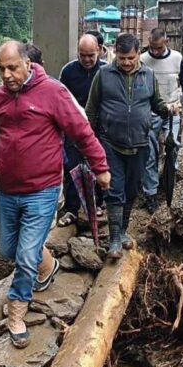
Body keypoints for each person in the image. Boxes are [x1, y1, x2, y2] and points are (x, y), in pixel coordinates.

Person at [0, 41, 110, 348]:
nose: (7, 75)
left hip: (43, 189)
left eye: (12, 67)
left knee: (24, 256)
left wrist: (100, 166)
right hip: (8, 190)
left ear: (27, 64)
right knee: (9, 250)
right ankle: (48, 264)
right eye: (2, 69)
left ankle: (17, 313)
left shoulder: (52, 92)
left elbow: (81, 131)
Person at [84, 33, 172, 259]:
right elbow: (91, 110)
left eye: (131, 58)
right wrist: (90, 142)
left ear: (138, 55)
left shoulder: (149, 75)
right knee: (114, 191)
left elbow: (157, 103)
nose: (126, 62)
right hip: (110, 142)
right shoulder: (103, 75)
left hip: (140, 143)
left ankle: (123, 231)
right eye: (122, 58)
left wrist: (169, 109)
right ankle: (114, 238)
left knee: (131, 190)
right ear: (116, 52)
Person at [139, 28, 183, 213]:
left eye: (159, 48)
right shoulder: (143, 60)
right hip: (151, 112)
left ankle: (170, 184)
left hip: (173, 110)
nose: (155, 51)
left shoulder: (177, 58)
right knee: (150, 153)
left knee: (173, 147)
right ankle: (150, 193)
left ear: (167, 42)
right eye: (152, 48)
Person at [58, 33, 107, 225]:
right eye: (83, 55)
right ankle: (71, 208)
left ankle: (97, 204)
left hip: (99, 128)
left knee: (98, 165)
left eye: (91, 55)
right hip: (73, 128)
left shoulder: (106, 71)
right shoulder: (68, 71)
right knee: (72, 167)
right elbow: (61, 100)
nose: (87, 60)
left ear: (99, 51)